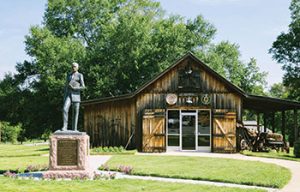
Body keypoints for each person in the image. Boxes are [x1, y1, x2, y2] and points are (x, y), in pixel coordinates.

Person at [62, 62, 85, 131]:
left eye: (74, 66)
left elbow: (83, 87)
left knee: (75, 112)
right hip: (68, 95)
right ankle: (64, 127)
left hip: (76, 95)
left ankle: (74, 128)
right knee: (64, 109)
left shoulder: (80, 75)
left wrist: (75, 88)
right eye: (72, 66)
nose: (73, 67)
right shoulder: (68, 75)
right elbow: (66, 86)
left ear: (77, 67)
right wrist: (64, 96)